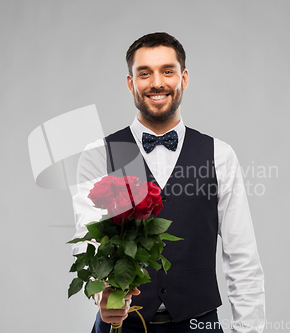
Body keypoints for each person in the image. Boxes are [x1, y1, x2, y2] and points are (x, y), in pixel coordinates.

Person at [71, 32, 265, 333]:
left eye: (167, 71)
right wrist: (104, 296)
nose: (157, 83)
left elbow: (242, 257)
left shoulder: (220, 155)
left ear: (184, 78)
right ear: (130, 83)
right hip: (122, 325)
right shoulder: (97, 155)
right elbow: (89, 239)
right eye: (144, 73)